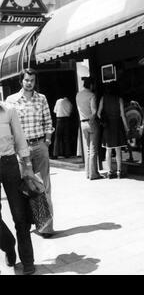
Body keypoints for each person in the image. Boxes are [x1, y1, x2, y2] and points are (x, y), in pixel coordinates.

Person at [6, 68, 55, 238]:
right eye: (26, 80)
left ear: (35, 81)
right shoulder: (11, 101)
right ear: (21, 81)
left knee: (44, 187)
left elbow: (48, 122)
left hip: (39, 146)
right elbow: (9, 127)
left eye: (32, 80)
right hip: (21, 151)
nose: (29, 83)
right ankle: (27, 225)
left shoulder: (41, 99)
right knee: (24, 189)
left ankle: (46, 227)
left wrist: (47, 142)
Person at [0, 101, 36, 275]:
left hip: (9, 164)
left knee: (19, 214)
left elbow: (20, 138)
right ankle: (8, 244)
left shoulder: (9, 110)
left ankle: (28, 260)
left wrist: (27, 163)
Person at [97, 83, 128, 179]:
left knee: (108, 150)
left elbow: (98, 113)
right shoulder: (119, 99)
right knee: (118, 150)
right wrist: (126, 127)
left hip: (107, 126)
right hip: (117, 125)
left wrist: (103, 120)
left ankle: (110, 172)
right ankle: (119, 171)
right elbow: (123, 115)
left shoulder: (103, 98)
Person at [76, 76, 103, 180]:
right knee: (93, 150)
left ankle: (88, 173)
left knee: (87, 150)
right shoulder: (92, 95)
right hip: (91, 122)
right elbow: (94, 111)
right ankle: (94, 174)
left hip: (82, 123)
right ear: (91, 85)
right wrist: (93, 120)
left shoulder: (78, 95)